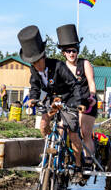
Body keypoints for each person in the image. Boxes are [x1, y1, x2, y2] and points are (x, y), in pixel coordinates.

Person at [18, 25, 84, 168]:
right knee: (43, 125)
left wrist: (78, 103)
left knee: (73, 134)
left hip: (68, 100)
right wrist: (32, 99)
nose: (37, 65)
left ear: (44, 57)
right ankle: (51, 145)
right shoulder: (34, 71)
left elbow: (74, 85)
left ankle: (79, 164)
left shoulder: (58, 66)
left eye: (38, 61)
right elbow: (35, 87)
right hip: (53, 102)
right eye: (33, 63)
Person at [57, 24, 97, 163]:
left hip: (86, 101)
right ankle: (61, 157)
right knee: (61, 129)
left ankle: (87, 160)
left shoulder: (84, 63)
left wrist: (92, 95)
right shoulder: (61, 67)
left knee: (85, 133)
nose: (71, 54)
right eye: (68, 51)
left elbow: (91, 82)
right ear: (64, 53)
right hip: (70, 103)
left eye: (73, 51)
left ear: (77, 51)